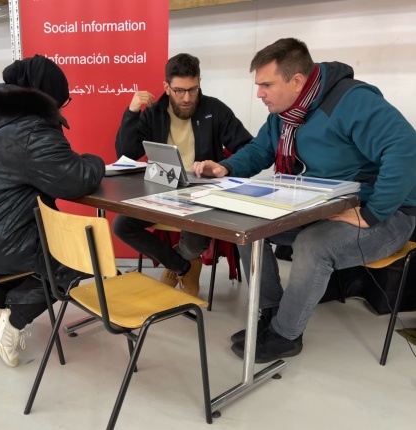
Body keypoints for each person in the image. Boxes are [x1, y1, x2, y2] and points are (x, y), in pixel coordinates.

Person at [192, 38, 416, 363]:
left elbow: (405, 147)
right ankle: (272, 316)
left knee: (312, 245)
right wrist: (226, 166)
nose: (259, 93)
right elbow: (260, 150)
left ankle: (285, 336)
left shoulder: (351, 101)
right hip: (324, 207)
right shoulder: (285, 114)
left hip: (389, 215)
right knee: (243, 228)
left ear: (297, 81)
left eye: (267, 84)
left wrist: (372, 212)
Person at [0, 55, 105, 367]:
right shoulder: (31, 129)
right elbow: (75, 181)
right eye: (61, 102)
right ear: (47, 97)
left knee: (37, 241)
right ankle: (13, 324)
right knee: (79, 253)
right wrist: (96, 160)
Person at [113, 53, 252, 297]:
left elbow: (247, 147)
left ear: (199, 83)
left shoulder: (215, 109)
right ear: (166, 87)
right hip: (162, 189)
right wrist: (132, 112)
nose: (187, 98)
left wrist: (224, 166)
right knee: (123, 226)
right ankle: (182, 265)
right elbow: (126, 153)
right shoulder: (154, 113)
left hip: (203, 192)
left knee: (196, 240)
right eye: (179, 91)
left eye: (193, 89)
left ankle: (181, 262)